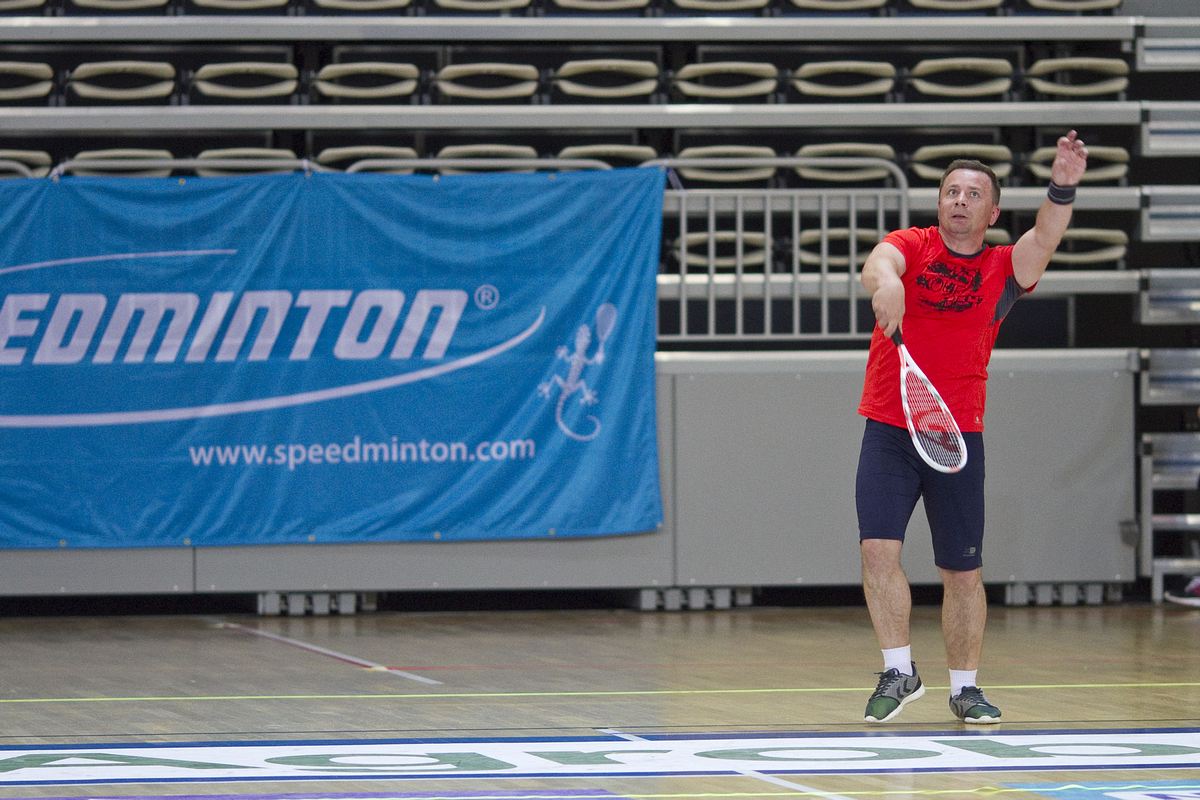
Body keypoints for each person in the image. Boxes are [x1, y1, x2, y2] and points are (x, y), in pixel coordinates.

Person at [855, 130, 1090, 724]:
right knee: (877, 550)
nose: (960, 200)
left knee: (962, 571)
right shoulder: (914, 245)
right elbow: (879, 262)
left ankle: (965, 688)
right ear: (939, 203)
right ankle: (899, 671)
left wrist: (1061, 186)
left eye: (973, 194)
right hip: (890, 427)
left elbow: (1045, 238)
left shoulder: (1003, 269)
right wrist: (888, 284)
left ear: (993, 212)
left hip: (958, 435)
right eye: (951, 192)